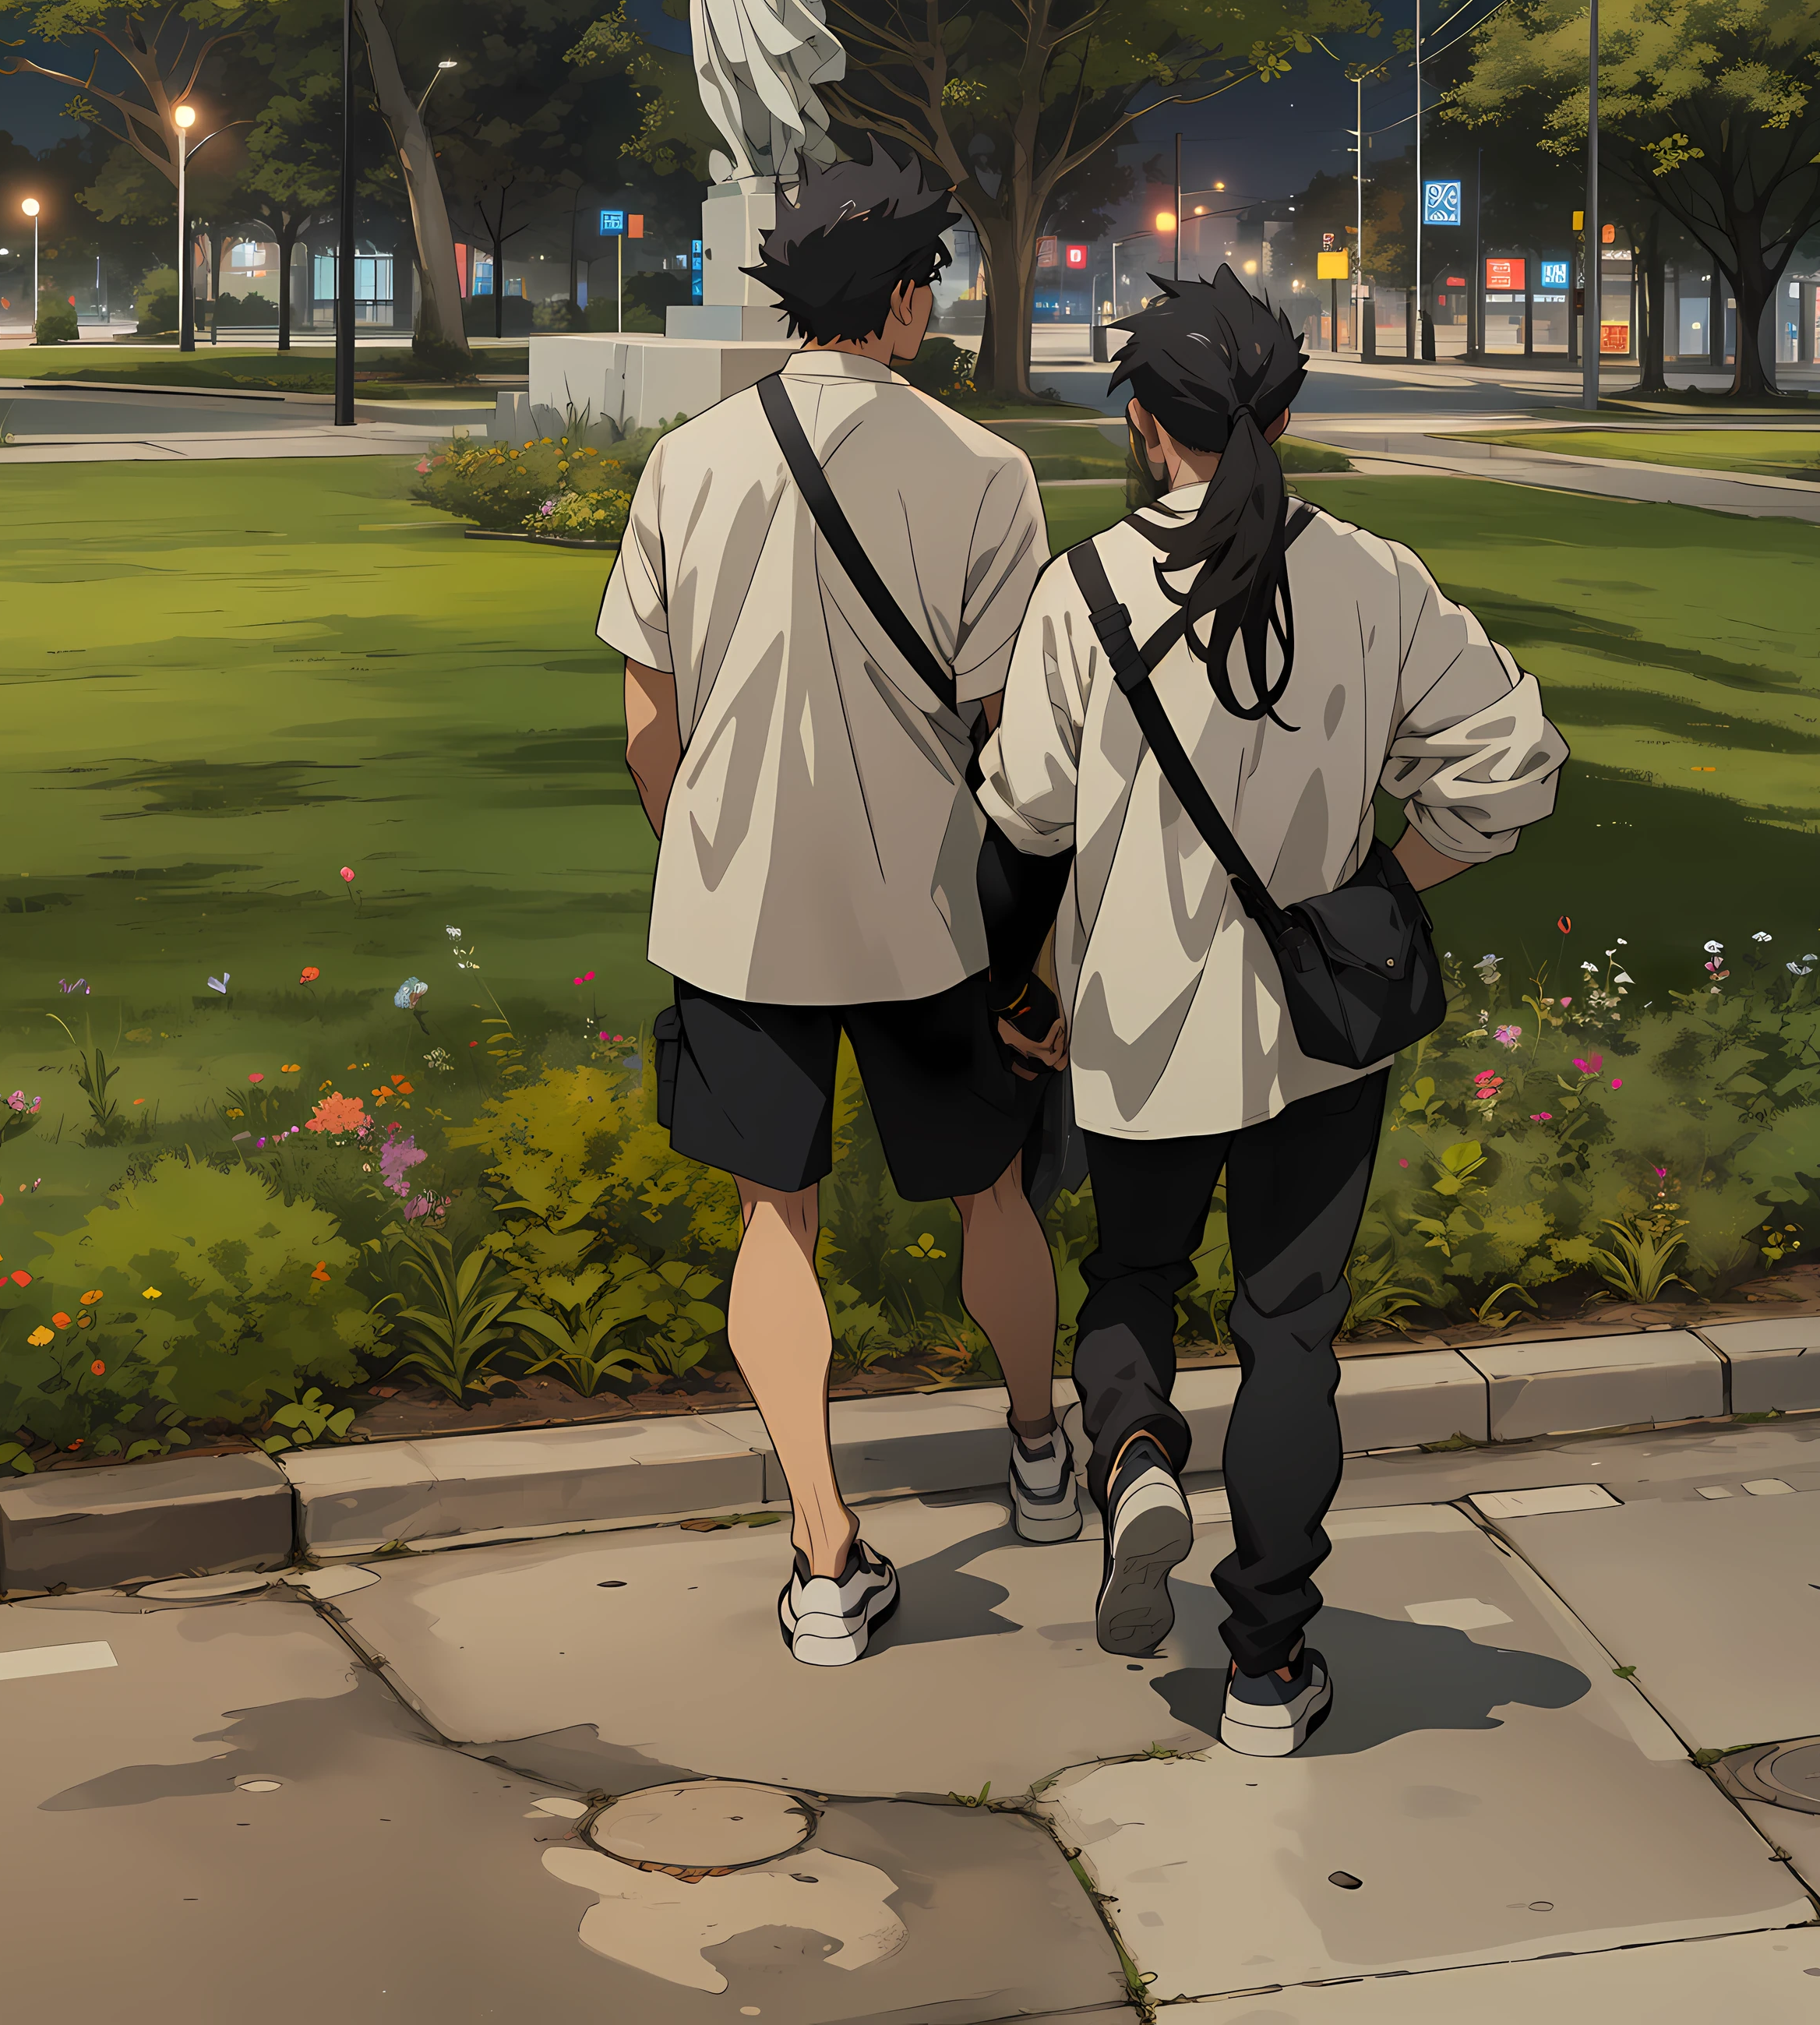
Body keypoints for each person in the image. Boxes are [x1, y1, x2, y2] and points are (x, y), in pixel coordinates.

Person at [975, 269, 1567, 1757]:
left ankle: (1135, 1456)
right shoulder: (1374, 577)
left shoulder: (1086, 587)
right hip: (1322, 1024)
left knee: (1132, 1276)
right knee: (1291, 1334)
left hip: (1139, 1016)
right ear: (1286, 414)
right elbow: (1516, 759)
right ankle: (1265, 1665)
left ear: (1138, 418)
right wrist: (1386, 883)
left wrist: (1021, 979)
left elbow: (1028, 814)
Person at [598, 146, 1076, 1674]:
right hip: (929, 909)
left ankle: (821, 1548)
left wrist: (703, 848)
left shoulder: (687, 462)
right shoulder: (986, 472)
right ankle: (1040, 1447)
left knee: (772, 1215)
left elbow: (643, 717)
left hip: (741, 910)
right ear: (911, 295)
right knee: (989, 1189)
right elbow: (1023, 739)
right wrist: (1041, 938)